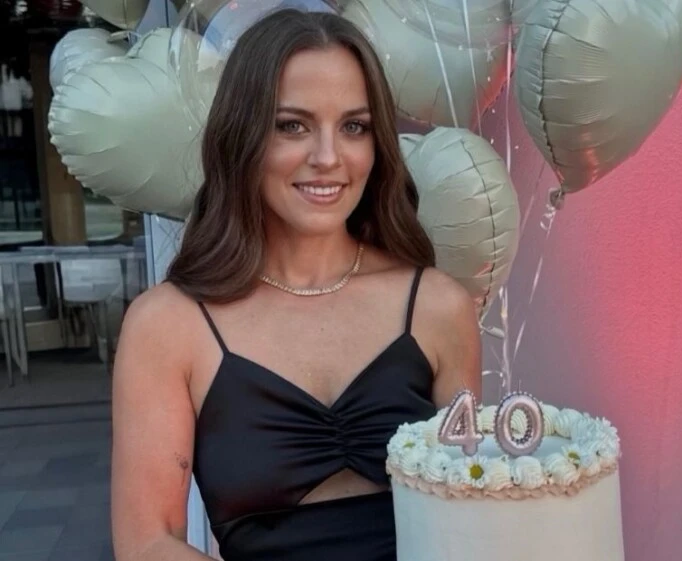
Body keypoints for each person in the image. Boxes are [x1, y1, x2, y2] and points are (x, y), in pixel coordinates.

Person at [111, 8, 481, 561]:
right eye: (292, 125)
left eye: (354, 127)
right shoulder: (167, 324)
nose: (328, 158)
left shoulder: (437, 306)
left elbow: (475, 512)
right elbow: (147, 543)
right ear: (243, 136)